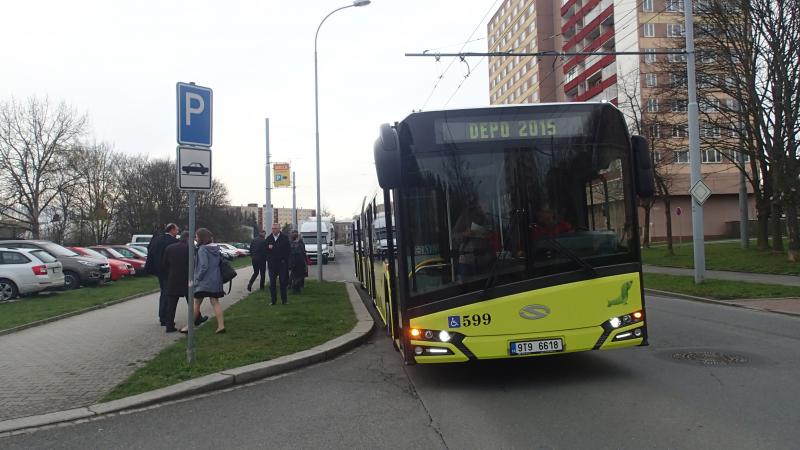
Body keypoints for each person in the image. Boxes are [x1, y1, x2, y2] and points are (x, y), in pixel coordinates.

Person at [161, 231, 207, 333]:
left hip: (173, 279)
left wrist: (170, 273)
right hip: (187, 279)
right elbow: (195, 264)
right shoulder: (190, 249)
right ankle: (197, 318)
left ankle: (169, 326)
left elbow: (164, 264)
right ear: (188, 238)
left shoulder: (169, 248)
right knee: (191, 302)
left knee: (171, 304)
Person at [187, 227, 226, 334]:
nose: (195, 238)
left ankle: (189, 327)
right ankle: (221, 325)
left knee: (196, 303)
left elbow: (203, 266)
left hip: (204, 282)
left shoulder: (203, 249)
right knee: (215, 302)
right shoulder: (216, 248)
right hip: (215, 280)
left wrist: (197, 278)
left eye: (196, 236)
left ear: (201, 237)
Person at [145, 223, 179, 327]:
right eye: (177, 230)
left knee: (163, 292)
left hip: (159, 271)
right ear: (172, 230)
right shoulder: (173, 242)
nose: (177, 232)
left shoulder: (156, 240)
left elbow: (149, 251)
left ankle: (162, 316)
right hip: (169, 271)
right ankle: (166, 318)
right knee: (169, 294)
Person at [453, 199, 493, 280]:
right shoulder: (466, 215)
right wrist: (465, 234)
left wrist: (477, 231)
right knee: (465, 289)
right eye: (482, 201)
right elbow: (454, 236)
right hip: (466, 261)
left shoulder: (490, 216)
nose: (484, 205)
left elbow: (493, 232)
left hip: (485, 261)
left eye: (486, 201)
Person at [265, 222, 290, 305]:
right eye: (272, 228)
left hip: (282, 264)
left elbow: (288, 250)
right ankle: (273, 301)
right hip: (272, 265)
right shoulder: (269, 239)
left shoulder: (284, 238)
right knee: (272, 283)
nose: (273, 230)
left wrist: (284, 260)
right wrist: (269, 255)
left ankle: (284, 300)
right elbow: (265, 251)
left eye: (275, 228)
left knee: (283, 282)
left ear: (279, 229)